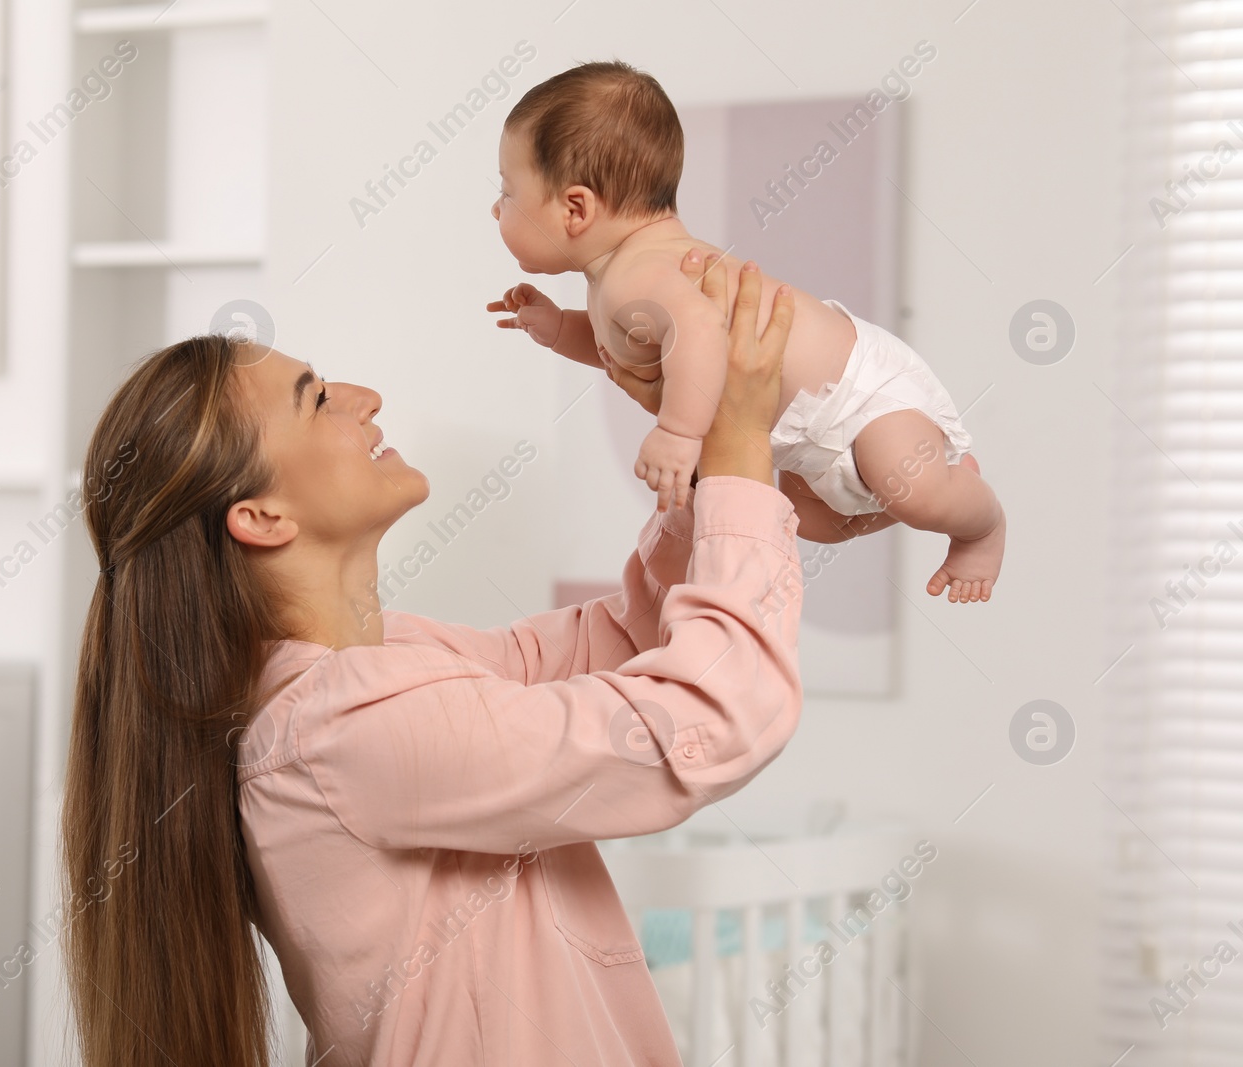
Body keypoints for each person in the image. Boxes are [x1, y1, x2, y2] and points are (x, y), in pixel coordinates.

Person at [60, 251, 801, 1067]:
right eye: (317, 400)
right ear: (262, 515)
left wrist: (701, 465)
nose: (365, 399)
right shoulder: (342, 726)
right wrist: (741, 459)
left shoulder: (392, 664)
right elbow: (703, 724)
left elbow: (624, 645)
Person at [489, 60, 1004, 603]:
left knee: (914, 491)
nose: (496, 207)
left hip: (857, 393)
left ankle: (979, 524)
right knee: (811, 522)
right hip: (800, 437)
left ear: (575, 208)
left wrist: (679, 433)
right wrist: (554, 328)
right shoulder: (618, 280)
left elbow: (701, 330)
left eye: (507, 191)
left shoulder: (638, 272)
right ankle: (933, 485)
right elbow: (624, 349)